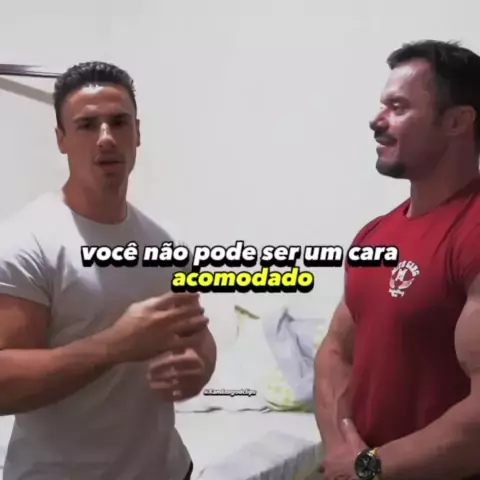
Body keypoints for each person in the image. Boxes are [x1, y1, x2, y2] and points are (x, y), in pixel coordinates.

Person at [0, 61, 217, 480]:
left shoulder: (166, 243)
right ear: (61, 139)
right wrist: (116, 346)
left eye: (119, 122)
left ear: (137, 132)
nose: (106, 138)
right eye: (87, 125)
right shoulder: (25, 242)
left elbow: (199, 341)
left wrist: (198, 368)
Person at [314, 39, 480, 480]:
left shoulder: (473, 230)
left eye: (398, 107)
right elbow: (335, 350)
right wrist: (342, 450)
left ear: (457, 122)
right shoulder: (374, 236)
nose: (377, 120)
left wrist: (369, 466)